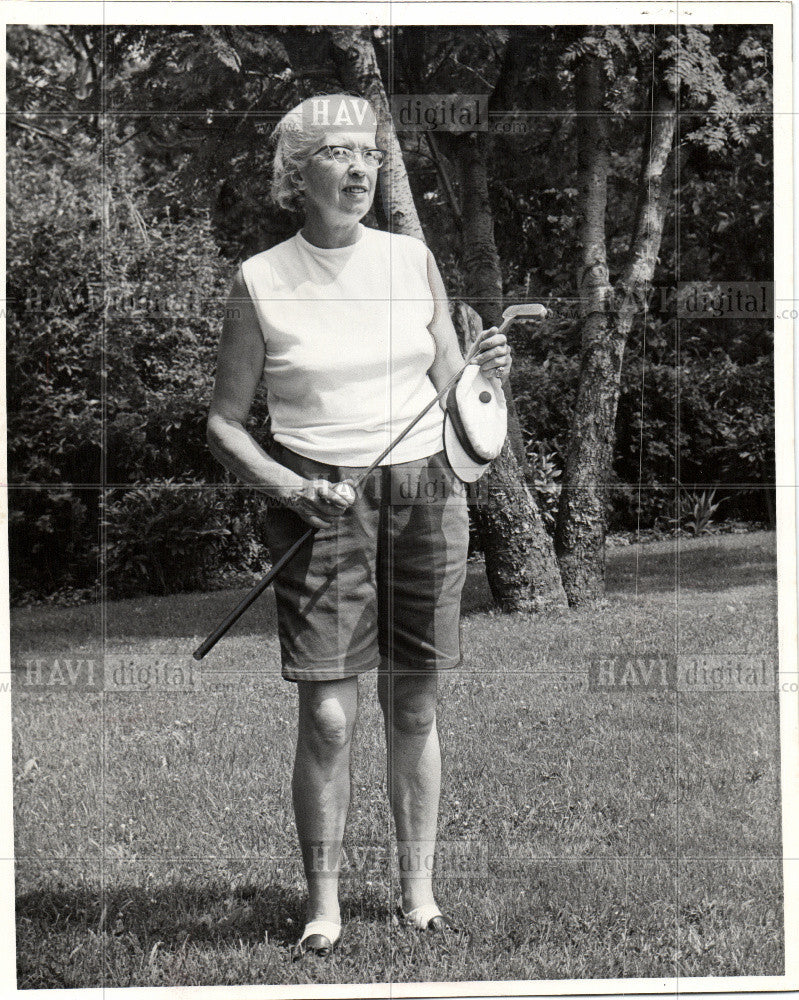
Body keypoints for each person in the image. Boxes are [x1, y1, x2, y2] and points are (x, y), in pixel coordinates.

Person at [206, 94, 511, 959]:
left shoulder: (411, 260)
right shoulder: (260, 278)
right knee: (331, 719)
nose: (357, 169)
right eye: (336, 154)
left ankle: (419, 897)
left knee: (412, 702)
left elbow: (462, 400)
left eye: (369, 155)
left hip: (423, 494)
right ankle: (324, 908)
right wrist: (291, 488)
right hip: (319, 499)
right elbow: (225, 424)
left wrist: (489, 371)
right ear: (294, 175)